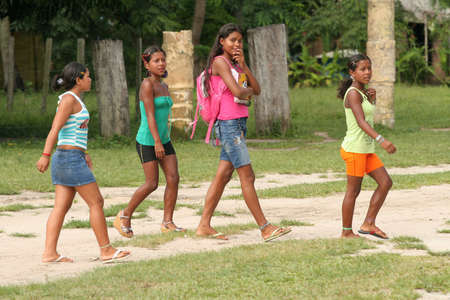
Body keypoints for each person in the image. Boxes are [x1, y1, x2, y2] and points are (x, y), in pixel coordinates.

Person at [195, 23, 291, 242]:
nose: (237, 44)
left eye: (239, 41)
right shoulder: (220, 62)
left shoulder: (235, 65)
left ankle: (203, 225)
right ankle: (265, 227)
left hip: (237, 123)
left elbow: (256, 89)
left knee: (223, 175)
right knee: (247, 176)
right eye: (232, 40)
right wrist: (246, 93)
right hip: (228, 124)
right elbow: (240, 91)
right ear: (222, 41)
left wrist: (245, 66)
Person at [36, 62, 130, 263]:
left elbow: (73, 131)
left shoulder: (75, 99)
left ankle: (49, 253)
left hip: (70, 157)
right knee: (96, 202)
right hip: (69, 159)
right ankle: (106, 250)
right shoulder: (69, 100)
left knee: (60, 207)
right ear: (78, 79)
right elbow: (55, 129)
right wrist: (45, 154)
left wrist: (84, 152)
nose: (90, 79)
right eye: (87, 76)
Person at [114, 46, 184, 238]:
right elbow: (150, 116)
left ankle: (167, 222)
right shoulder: (147, 85)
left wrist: (163, 139)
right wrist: (156, 142)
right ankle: (124, 216)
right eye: (156, 61)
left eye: (163, 60)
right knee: (151, 183)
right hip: (148, 140)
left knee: (173, 178)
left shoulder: (164, 86)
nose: (161, 63)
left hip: (164, 139)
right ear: (147, 64)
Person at [337, 54, 396, 239]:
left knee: (385, 182)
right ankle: (346, 232)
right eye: (362, 69)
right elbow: (361, 122)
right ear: (352, 73)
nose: (367, 72)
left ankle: (369, 223)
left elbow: (367, 115)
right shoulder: (353, 93)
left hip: (366, 150)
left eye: (369, 68)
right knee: (353, 191)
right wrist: (382, 140)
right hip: (355, 150)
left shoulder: (362, 93)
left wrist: (372, 101)